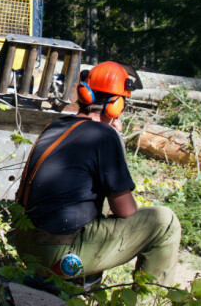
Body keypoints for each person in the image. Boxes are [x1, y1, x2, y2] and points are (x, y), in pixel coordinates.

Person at [13, 61, 181, 288]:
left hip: (26, 245)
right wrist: (114, 138)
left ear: (84, 94)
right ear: (117, 105)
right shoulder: (103, 135)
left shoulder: (56, 125)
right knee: (166, 222)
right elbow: (126, 210)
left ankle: (81, 285)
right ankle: (151, 301)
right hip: (58, 254)